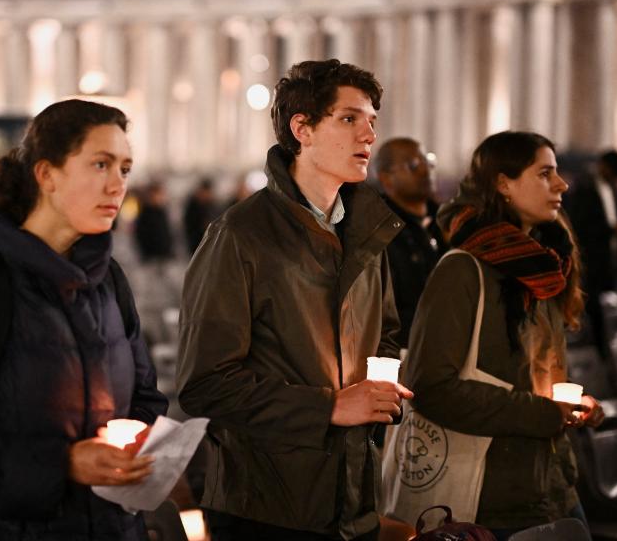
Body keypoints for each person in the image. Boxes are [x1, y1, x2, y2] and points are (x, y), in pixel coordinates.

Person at [0, 99, 169, 541]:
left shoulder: (108, 282)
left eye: (124, 168)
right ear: (46, 175)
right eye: (100, 164)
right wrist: (64, 463)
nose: (117, 184)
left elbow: (144, 397)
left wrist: (137, 441)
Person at [176, 59, 412, 541]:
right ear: (301, 128)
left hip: (353, 497)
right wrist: (329, 407)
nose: (368, 134)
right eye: (349, 119)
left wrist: (378, 391)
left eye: (372, 120)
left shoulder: (367, 230)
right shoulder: (239, 234)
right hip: (265, 506)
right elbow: (205, 384)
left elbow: (385, 335)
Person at [406, 131, 605, 540]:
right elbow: (430, 386)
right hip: (490, 495)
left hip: (551, 481)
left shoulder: (543, 269)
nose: (562, 185)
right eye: (545, 173)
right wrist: (542, 413)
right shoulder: (462, 270)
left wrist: (572, 407)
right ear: (503, 184)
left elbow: (537, 372)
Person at [375, 137, 447, 345]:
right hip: (405, 345)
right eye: (414, 165)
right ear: (386, 178)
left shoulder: (447, 221)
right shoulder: (379, 229)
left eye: (428, 161)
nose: (426, 171)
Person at [566, 149, 617, 348]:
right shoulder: (585, 189)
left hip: (611, 258)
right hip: (593, 259)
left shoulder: (611, 188)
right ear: (603, 166)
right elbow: (580, 225)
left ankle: (608, 347)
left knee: (609, 308)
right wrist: (613, 230)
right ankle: (596, 348)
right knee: (593, 309)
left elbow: (614, 216)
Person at [183, 178, 220, 255]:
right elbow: (188, 225)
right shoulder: (192, 206)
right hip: (195, 243)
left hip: (210, 243)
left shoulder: (212, 205)